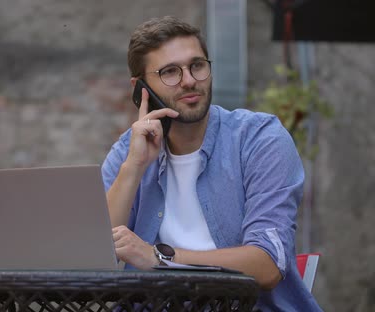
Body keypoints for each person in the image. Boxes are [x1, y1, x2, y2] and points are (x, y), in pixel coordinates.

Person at [102, 16, 321, 311]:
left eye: (197, 65)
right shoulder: (130, 150)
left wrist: (159, 258)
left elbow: (267, 263)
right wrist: (134, 167)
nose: (189, 80)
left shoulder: (259, 139)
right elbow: (95, 254)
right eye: (170, 72)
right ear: (140, 87)